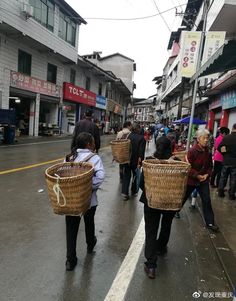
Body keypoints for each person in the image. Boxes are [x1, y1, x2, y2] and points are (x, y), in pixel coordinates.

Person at [65, 132, 105, 271]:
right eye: (93, 142)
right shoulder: (94, 158)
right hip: (89, 200)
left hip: (71, 200)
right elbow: (100, 177)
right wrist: (87, 187)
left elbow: (62, 176)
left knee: (71, 228)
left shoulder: (69, 157)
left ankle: (70, 260)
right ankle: (90, 243)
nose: (94, 144)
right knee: (89, 222)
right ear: (89, 144)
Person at [139, 136, 176, 279]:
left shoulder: (149, 162)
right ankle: (161, 248)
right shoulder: (176, 163)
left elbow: (142, 184)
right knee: (166, 225)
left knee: (151, 230)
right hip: (170, 201)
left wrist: (153, 191)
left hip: (152, 201)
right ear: (170, 148)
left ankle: (151, 265)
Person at [182, 129, 219, 232]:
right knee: (183, 198)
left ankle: (210, 222)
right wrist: (197, 176)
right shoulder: (192, 151)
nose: (206, 140)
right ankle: (173, 212)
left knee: (206, 200)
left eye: (207, 138)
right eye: (204, 138)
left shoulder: (207, 150)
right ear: (198, 139)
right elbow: (187, 167)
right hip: (192, 180)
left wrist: (207, 174)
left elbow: (210, 166)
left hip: (203, 180)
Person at [121, 123, 146, 200]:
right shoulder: (142, 138)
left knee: (126, 176)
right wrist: (140, 162)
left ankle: (124, 193)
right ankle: (133, 190)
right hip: (136, 161)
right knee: (135, 176)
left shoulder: (129, 136)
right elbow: (141, 152)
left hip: (127, 159)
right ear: (138, 129)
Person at [217, 123, 236, 200]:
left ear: (232, 128)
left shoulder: (226, 137)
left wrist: (225, 154)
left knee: (223, 177)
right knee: (234, 179)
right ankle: (231, 194)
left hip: (226, 161)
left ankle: (220, 192)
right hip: (235, 162)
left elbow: (219, 147)